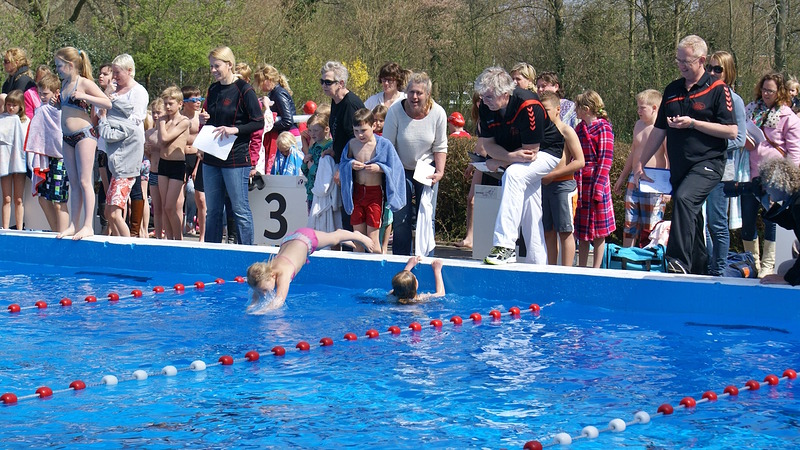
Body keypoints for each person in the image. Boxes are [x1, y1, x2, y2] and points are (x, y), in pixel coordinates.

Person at [633, 35, 738, 274]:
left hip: (708, 163)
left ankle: (677, 260)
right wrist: (640, 163)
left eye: (686, 61)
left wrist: (694, 123)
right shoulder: (672, 89)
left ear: (701, 60)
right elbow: (659, 131)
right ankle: (699, 269)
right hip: (681, 166)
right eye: (678, 60)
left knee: (683, 199)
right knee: (692, 216)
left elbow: (732, 131)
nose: (681, 65)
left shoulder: (717, 89)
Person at [475, 66, 563, 265]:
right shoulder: (486, 106)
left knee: (514, 174)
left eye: (489, 97)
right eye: (483, 97)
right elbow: (488, 145)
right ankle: (537, 262)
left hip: (546, 152)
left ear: (504, 94)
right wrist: (507, 155)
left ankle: (504, 245)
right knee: (530, 206)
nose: (484, 101)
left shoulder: (528, 104)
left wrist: (500, 160)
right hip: (517, 154)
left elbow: (529, 154)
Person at [202, 46, 264, 245]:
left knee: (239, 209)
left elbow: (258, 122)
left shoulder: (244, 90)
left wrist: (234, 130)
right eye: (211, 66)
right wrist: (204, 119)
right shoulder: (213, 89)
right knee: (212, 210)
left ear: (229, 65)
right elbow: (212, 118)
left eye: (217, 66)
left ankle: (246, 250)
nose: (213, 70)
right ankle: (212, 250)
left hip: (236, 158)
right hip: (212, 155)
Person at [742, 72, 800, 277]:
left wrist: (788, 182)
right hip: (751, 174)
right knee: (747, 220)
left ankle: (768, 265)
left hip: (775, 180)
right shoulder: (750, 109)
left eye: (771, 91)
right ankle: (751, 261)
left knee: (773, 220)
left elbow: (794, 151)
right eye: (764, 89)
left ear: (780, 92)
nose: (766, 94)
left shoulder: (787, 116)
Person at [383, 71, 447, 256]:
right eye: (411, 92)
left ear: (428, 94)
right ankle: (401, 262)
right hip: (400, 167)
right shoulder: (395, 111)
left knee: (426, 215)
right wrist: (392, 175)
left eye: (419, 93)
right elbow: (388, 145)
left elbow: (440, 145)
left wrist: (440, 171)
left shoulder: (438, 113)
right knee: (401, 217)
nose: (414, 97)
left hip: (426, 168)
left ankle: (426, 258)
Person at [54, 47, 113, 240]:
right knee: (74, 183)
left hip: (84, 135)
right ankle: (74, 224)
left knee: (84, 181)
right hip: (67, 137)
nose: (58, 70)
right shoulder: (64, 84)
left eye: (60, 66)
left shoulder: (84, 83)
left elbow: (107, 103)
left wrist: (84, 97)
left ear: (71, 65)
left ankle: (88, 225)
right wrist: (57, 103)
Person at [245, 228, 375, 313]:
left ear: (272, 276)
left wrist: (260, 312)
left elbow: (279, 301)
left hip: (306, 239)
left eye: (263, 290)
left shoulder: (283, 273)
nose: (264, 293)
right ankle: (345, 240)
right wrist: (250, 308)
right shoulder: (265, 275)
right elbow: (256, 293)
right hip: (290, 239)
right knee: (330, 241)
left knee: (335, 237)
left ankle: (357, 236)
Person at [703, 52, 747, 276]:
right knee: (700, 224)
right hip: (699, 169)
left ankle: (718, 270)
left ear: (728, 71)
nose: (712, 73)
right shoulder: (703, 95)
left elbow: (739, 139)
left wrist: (710, 146)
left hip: (721, 172)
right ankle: (708, 265)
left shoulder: (735, 100)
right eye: (709, 68)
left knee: (717, 223)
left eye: (717, 69)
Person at [339, 108, 406, 251]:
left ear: (373, 126)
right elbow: (343, 163)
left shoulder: (383, 145)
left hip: (374, 194)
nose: (360, 135)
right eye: (356, 131)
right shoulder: (352, 144)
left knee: (373, 239)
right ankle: (358, 270)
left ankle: (376, 268)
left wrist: (380, 168)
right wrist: (350, 164)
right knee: (358, 237)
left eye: (363, 130)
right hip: (357, 193)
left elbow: (395, 167)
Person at [614, 89, 670, 248]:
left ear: (654, 108)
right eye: (638, 107)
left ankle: (649, 261)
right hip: (635, 178)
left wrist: (667, 189)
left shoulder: (662, 129)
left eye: (642, 108)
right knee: (629, 223)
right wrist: (622, 177)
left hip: (654, 182)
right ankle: (627, 257)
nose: (638, 111)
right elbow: (633, 152)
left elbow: (669, 157)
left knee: (651, 226)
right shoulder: (638, 125)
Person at [539, 91, 585, 266]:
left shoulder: (567, 131)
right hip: (544, 186)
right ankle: (551, 269)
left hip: (563, 186)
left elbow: (580, 161)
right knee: (548, 231)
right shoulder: (541, 132)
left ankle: (566, 271)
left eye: (547, 110)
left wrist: (553, 175)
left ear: (558, 109)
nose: (543, 114)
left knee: (565, 231)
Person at [321, 61, 365, 231]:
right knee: (343, 213)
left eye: (328, 82)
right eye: (322, 81)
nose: (324, 85)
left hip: (354, 165)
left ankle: (354, 251)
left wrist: (342, 167)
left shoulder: (350, 104)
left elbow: (355, 139)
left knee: (350, 213)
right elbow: (340, 132)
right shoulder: (335, 100)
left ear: (341, 83)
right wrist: (334, 149)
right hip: (343, 160)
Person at [574, 90, 616, 268]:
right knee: (581, 230)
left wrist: (598, 188)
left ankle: (597, 267)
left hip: (597, 182)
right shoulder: (579, 129)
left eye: (577, 107)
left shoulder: (604, 128)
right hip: (582, 182)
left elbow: (605, 160)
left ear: (586, 109)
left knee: (600, 231)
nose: (575, 111)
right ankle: (582, 267)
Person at [25, 73, 69, 232]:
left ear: (56, 92)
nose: (42, 97)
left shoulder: (63, 110)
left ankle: (62, 235)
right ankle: (56, 231)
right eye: (40, 93)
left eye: (46, 93)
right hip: (45, 159)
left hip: (60, 159)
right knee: (43, 199)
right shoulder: (40, 110)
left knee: (59, 201)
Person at [757, 157, 800, 285]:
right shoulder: (796, 199)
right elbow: (791, 222)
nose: (764, 189)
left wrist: (788, 279)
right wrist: (768, 206)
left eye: (765, 184)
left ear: (778, 183)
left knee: (785, 272)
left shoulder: (798, 204)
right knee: (784, 268)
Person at [156, 86, 190, 240]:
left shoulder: (184, 121)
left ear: (180, 104)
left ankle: (178, 238)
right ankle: (169, 238)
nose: (168, 107)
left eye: (171, 103)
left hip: (177, 165)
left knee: (171, 206)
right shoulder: (164, 120)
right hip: (163, 164)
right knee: (164, 207)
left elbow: (164, 139)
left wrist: (162, 124)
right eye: (165, 104)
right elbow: (159, 143)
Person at [253, 64, 297, 177]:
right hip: (283, 137)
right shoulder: (273, 93)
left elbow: (288, 120)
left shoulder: (279, 93)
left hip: (288, 137)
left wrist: (267, 125)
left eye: (260, 81)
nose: (259, 85)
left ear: (269, 80)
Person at [0, 90, 27, 229]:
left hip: (20, 162)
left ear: (20, 106)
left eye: (14, 105)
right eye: (8, 104)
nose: (10, 108)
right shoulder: (1, 119)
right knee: (6, 198)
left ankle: (19, 230)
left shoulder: (25, 121)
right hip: (4, 162)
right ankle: (5, 229)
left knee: (18, 199)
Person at [302, 110, 332, 210]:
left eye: (316, 130)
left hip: (323, 194)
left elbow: (326, 173)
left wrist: (312, 168)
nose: (312, 134)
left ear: (326, 129)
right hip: (312, 191)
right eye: (310, 130)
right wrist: (304, 163)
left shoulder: (328, 147)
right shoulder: (313, 147)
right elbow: (307, 173)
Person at [145, 98, 164, 238]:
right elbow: (149, 156)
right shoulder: (149, 133)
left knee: (167, 207)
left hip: (165, 173)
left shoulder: (167, 132)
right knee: (156, 208)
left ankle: (169, 234)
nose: (156, 116)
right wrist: (147, 150)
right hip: (153, 171)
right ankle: (158, 234)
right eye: (153, 113)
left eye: (158, 112)